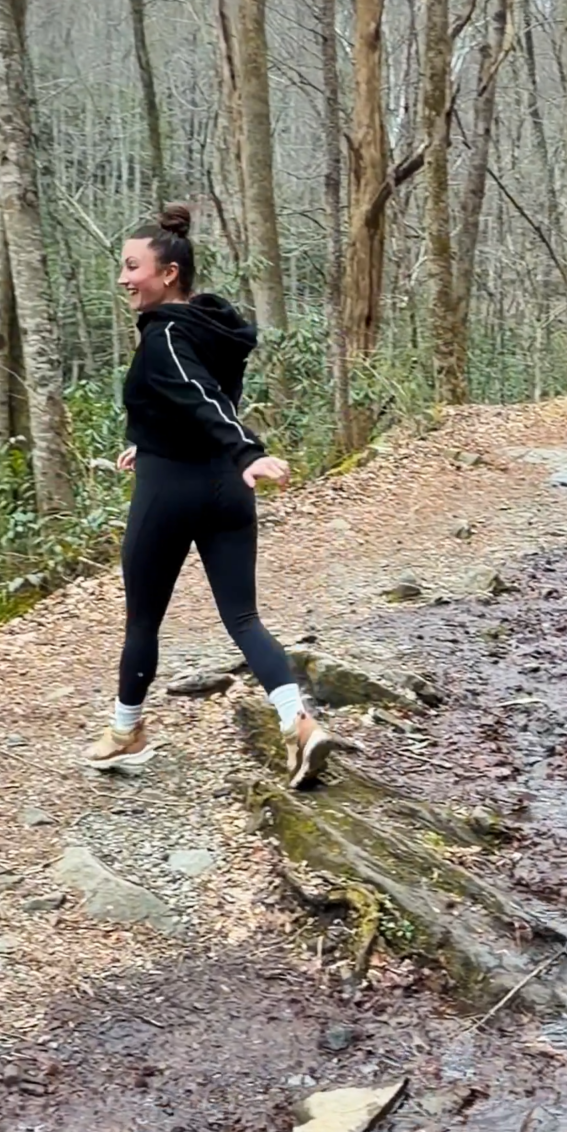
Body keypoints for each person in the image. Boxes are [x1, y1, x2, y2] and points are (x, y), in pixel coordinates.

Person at [86, 203, 333, 788]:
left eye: (131, 267)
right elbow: (181, 400)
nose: (124, 278)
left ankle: (127, 732)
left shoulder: (164, 335)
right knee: (244, 618)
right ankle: (298, 723)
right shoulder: (209, 327)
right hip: (226, 489)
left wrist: (249, 447)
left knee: (143, 621)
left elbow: (198, 395)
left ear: (168, 273)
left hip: (173, 491)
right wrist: (143, 441)